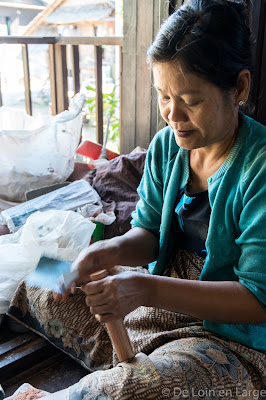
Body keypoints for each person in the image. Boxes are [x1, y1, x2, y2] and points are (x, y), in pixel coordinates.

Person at [9, 0, 266, 399]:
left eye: (191, 100)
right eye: (164, 96)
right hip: (158, 303)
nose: (173, 115)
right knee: (40, 282)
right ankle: (126, 374)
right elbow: (147, 232)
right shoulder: (168, 147)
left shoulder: (260, 169)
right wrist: (106, 253)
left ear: (240, 88)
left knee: (136, 387)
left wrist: (145, 289)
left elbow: (257, 300)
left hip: (231, 339)